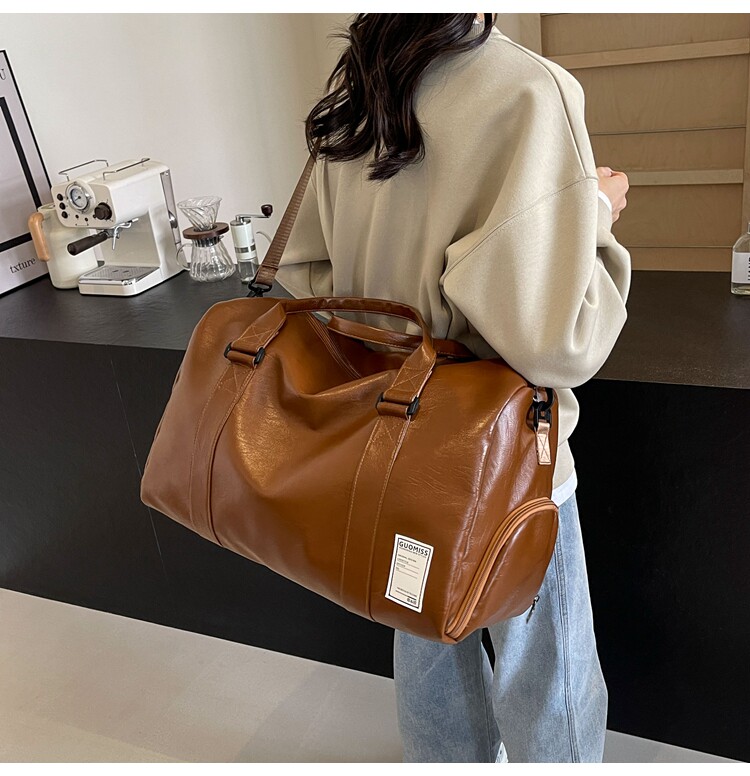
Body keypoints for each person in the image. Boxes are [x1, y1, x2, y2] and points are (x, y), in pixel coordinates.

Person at [274, 13, 631, 763]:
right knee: (546, 663)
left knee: (424, 634)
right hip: (503, 453)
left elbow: (308, 277)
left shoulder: (359, 88)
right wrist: (596, 215)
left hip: (385, 435)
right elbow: (557, 339)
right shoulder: (530, 91)